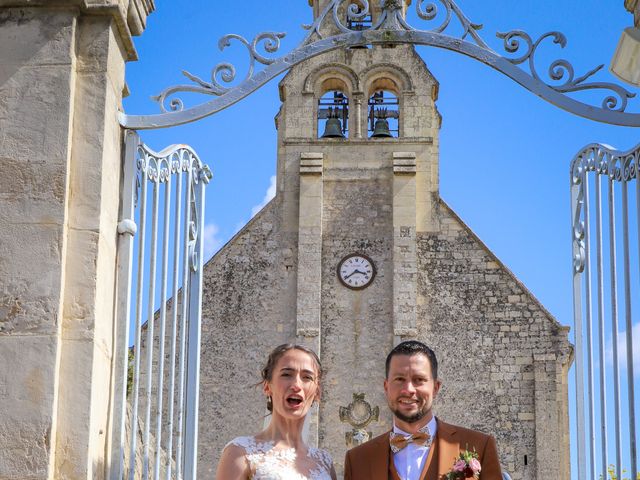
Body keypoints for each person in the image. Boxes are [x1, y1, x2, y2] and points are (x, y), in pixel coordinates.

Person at [344, 340, 502, 480]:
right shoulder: (357, 460)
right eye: (399, 379)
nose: (408, 389)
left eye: (419, 380)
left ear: (435, 387)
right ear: (386, 387)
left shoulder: (480, 446)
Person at [216, 344, 337, 480]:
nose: (296, 385)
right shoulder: (240, 452)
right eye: (286, 374)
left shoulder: (324, 462)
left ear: (317, 392)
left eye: (307, 377)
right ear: (267, 387)